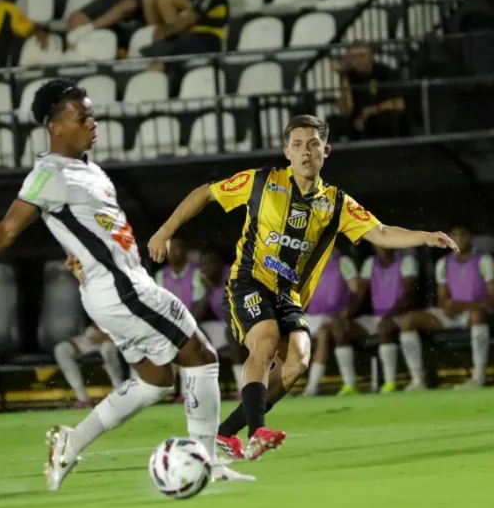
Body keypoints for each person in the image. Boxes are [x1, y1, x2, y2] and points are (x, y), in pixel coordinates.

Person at [0, 77, 252, 489]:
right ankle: (207, 464)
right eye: (82, 117)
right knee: (201, 356)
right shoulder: (48, 173)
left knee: (156, 381)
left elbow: (82, 226)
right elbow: (7, 230)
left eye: (92, 115)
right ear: (56, 127)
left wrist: (79, 253)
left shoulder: (91, 170)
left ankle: (71, 442)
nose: (92, 123)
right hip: (123, 289)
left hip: (113, 289)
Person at [148, 113, 459, 461]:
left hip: (288, 295)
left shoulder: (336, 203)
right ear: (287, 152)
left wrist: (424, 236)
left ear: (326, 151)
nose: (305, 152)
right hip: (249, 282)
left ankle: (225, 433)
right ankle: (257, 432)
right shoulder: (262, 181)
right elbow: (206, 193)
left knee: (298, 361)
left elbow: (381, 232)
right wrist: (164, 232)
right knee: (265, 341)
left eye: (313, 144)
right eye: (297, 145)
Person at [399, 223, 493, 390]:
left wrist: (461, 305)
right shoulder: (443, 263)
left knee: (477, 314)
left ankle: (479, 377)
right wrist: (447, 307)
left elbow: (492, 297)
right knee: (408, 321)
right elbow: (442, 298)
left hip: (476, 312)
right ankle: (418, 380)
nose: (459, 239)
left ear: (471, 237)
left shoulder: (484, 260)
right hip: (453, 314)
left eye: (463, 235)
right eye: (455, 235)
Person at [331, 246, 420, 395]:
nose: (382, 246)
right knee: (341, 330)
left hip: (399, 315)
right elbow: (359, 294)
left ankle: (390, 383)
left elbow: (408, 295)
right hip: (378, 316)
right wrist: (345, 316)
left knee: (384, 327)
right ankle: (350, 385)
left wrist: (389, 316)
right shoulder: (370, 263)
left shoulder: (406, 261)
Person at [301, 248, 359, 396]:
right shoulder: (306, 263)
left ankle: (313, 387)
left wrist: (345, 314)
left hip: (333, 315)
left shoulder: (343, 262)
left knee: (324, 333)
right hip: (309, 316)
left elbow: (355, 289)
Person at [192, 249, 246, 395]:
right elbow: (194, 318)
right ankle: (199, 389)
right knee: (193, 332)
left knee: (230, 332)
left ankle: (242, 387)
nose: (205, 269)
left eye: (208, 264)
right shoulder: (204, 282)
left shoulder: (233, 276)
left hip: (243, 321)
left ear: (219, 265)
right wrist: (207, 293)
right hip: (222, 323)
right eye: (202, 265)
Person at [335, 41, 408, 140]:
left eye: (362, 56)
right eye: (353, 58)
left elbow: (399, 104)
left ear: (370, 56)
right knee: (334, 123)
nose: (358, 61)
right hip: (359, 120)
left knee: (385, 119)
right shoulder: (351, 76)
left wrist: (370, 111)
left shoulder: (385, 72)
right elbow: (346, 109)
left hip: (382, 117)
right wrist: (342, 77)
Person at [54, 322, 125, 409]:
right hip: (95, 337)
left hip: (117, 338)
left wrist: (109, 336)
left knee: (107, 349)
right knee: (61, 350)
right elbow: (94, 324)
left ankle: (120, 392)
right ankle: (83, 399)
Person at [140, 0, 228, 58]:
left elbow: (191, 17)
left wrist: (165, 32)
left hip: (210, 36)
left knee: (170, 49)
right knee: (161, 48)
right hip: (193, 35)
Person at [67, 0, 146, 50]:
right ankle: (74, 57)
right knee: (76, 18)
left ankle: (87, 30)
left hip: (136, 13)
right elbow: (78, 17)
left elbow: (130, 5)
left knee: (128, 4)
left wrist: (88, 28)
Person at [153, 237, 202, 311]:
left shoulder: (196, 272)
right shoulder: (161, 274)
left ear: (184, 250)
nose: (172, 252)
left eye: (176, 248)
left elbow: (198, 303)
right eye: (169, 249)